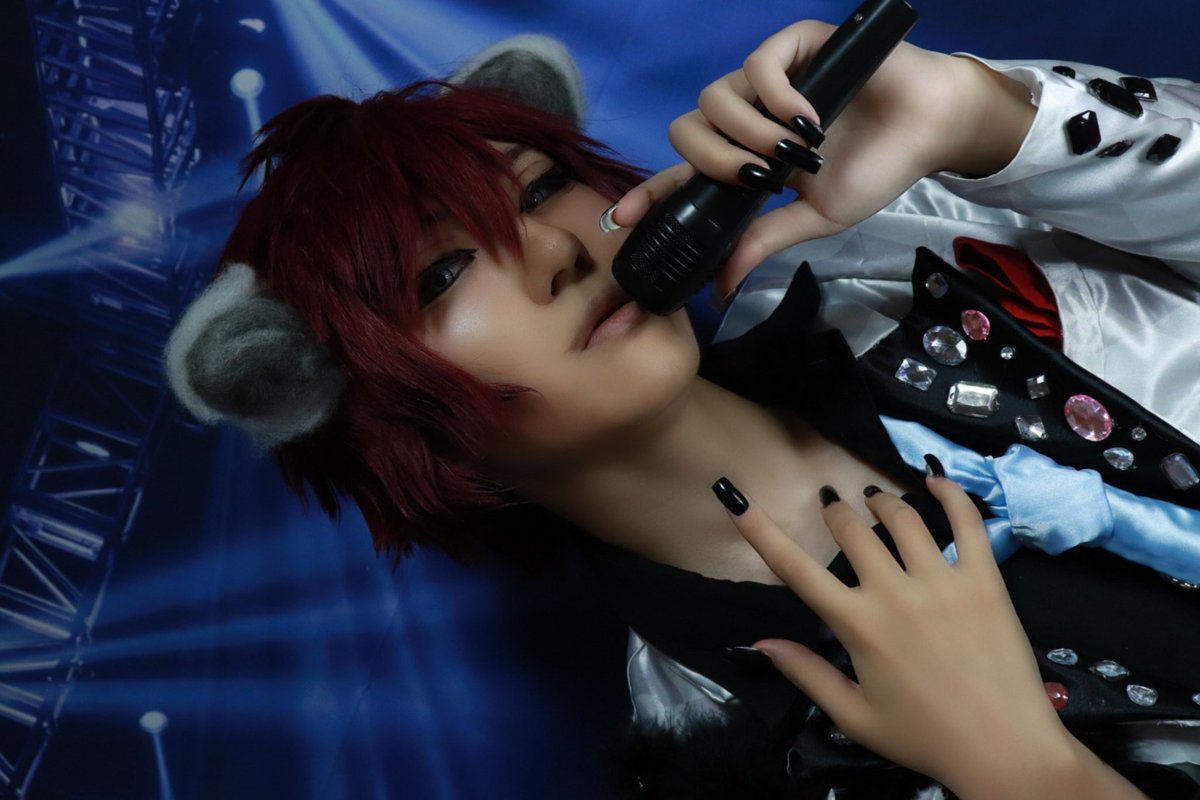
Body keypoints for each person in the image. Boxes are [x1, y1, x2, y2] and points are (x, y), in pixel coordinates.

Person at [162, 19, 1200, 799]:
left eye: (539, 189)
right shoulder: (726, 747)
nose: (557, 250)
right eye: (443, 274)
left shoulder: (904, 233)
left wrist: (986, 118)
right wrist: (1023, 773)